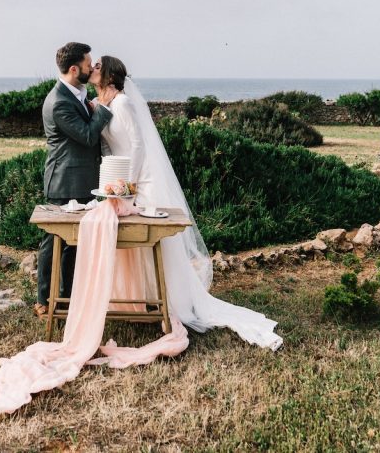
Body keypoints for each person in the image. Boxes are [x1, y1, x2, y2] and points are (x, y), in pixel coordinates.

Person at [89, 56, 282, 350]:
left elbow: (138, 144)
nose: (93, 68)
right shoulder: (105, 103)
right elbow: (107, 144)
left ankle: (171, 302)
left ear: (110, 75)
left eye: (98, 66)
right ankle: (141, 299)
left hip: (138, 181)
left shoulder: (125, 103)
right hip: (117, 183)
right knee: (131, 246)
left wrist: (130, 183)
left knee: (155, 243)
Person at [35, 42, 119, 318]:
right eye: (87, 64)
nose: (91, 67)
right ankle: (44, 301)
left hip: (82, 179)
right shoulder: (59, 102)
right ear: (74, 69)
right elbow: (86, 135)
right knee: (54, 242)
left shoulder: (77, 93)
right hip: (65, 181)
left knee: (73, 245)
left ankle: (69, 297)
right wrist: (104, 108)